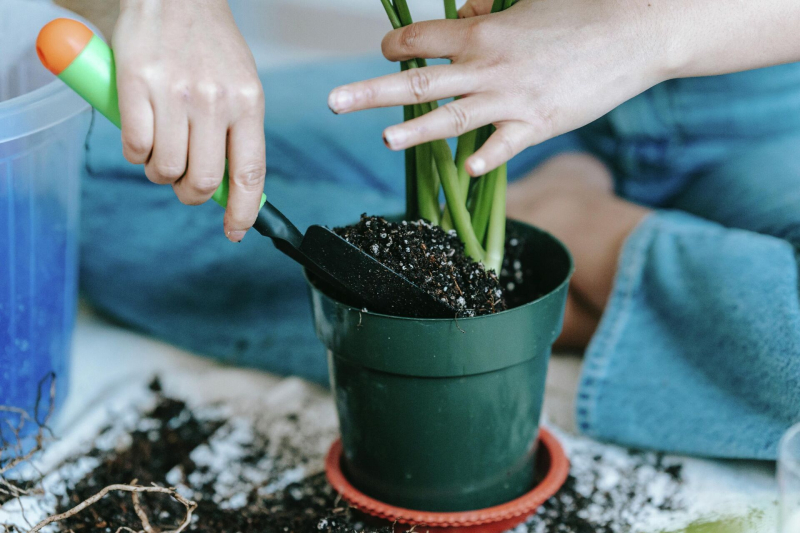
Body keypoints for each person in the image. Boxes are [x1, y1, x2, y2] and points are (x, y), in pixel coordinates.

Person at [82, 0, 800, 459]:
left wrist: (638, 34)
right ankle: (551, 292)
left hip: (760, 103)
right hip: (501, 68)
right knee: (90, 170)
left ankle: (574, 231)